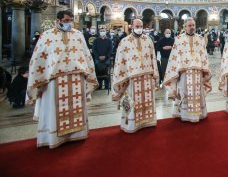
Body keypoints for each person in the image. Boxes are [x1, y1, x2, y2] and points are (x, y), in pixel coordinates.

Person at [27, 10, 98, 148]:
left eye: (70, 20)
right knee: (55, 109)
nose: (69, 23)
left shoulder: (78, 35)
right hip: (54, 80)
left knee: (76, 107)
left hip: (76, 77)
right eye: (66, 20)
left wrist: (88, 72)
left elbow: (86, 55)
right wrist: (40, 77)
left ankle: (77, 134)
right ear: (58, 20)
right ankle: (54, 137)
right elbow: (38, 58)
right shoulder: (47, 36)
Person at [112, 19, 159, 133]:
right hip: (132, 78)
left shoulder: (148, 40)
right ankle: (131, 123)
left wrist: (155, 73)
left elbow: (153, 58)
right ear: (131, 26)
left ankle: (147, 121)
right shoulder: (125, 41)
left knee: (146, 99)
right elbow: (120, 60)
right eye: (137, 26)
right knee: (133, 100)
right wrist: (122, 76)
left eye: (141, 26)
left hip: (147, 76)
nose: (139, 28)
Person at [163, 18, 212, 123]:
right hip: (184, 73)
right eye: (189, 25)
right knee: (184, 92)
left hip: (197, 72)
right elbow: (174, 57)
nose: (192, 27)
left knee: (198, 92)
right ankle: (184, 114)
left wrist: (205, 69)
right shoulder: (179, 39)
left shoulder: (200, 39)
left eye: (193, 25)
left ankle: (199, 114)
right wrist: (175, 72)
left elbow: (204, 55)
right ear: (185, 27)